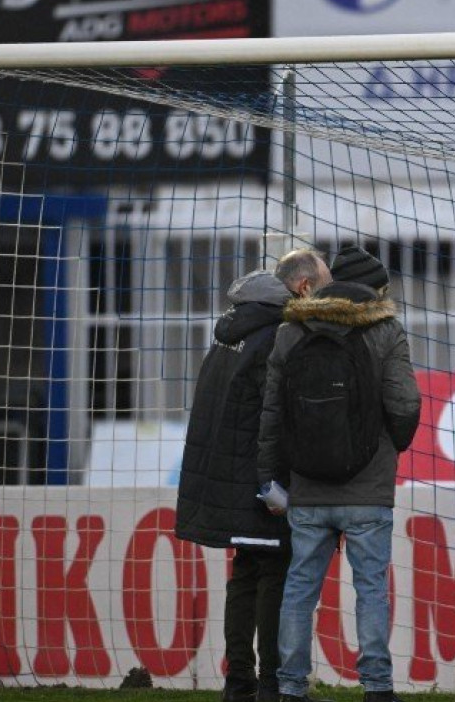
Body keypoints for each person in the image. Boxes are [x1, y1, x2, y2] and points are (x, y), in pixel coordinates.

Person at [257, 246, 422, 702]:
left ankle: (290, 687)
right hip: (369, 489)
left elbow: (272, 413)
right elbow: (405, 403)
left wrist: (271, 476)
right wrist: (387, 448)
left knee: (299, 589)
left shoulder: (291, 332)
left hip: (308, 487)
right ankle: (377, 687)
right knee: (370, 589)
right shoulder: (385, 329)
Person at [176, 269, 293, 702]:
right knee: (274, 574)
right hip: (260, 479)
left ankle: (239, 680)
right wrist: (275, 479)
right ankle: (271, 683)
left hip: (227, 477)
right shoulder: (272, 338)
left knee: (244, 573)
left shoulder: (227, 336)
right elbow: (273, 413)